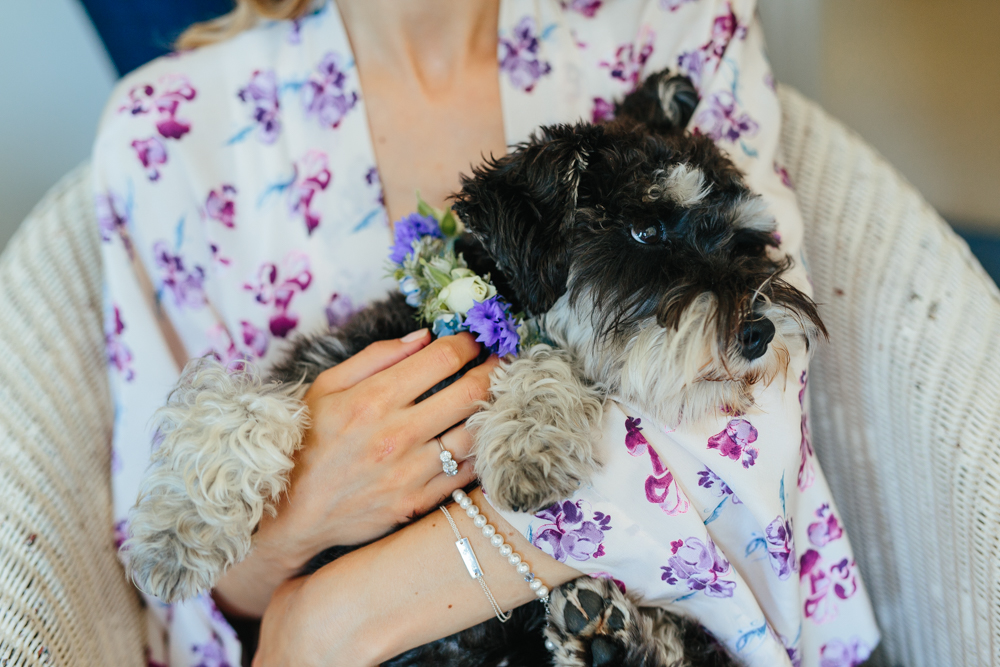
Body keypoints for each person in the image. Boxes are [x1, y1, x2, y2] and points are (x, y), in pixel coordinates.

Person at [93, 1, 880, 665]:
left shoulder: (672, 25)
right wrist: (302, 515)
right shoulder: (163, 139)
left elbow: (753, 413)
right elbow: (171, 574)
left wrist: (340, 611)